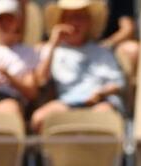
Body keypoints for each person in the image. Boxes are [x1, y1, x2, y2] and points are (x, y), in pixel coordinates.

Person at [32, 0, 125, 132]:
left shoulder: (102, 51)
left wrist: (100, 93)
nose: (75, 23)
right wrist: (53, 42)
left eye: (80, 17)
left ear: (89, 22)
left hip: (99, 102)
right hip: (68, 102)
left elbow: (118, 84)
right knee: (39, 119)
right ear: (61, 21)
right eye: (70, 17)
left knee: (105, 116)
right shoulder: (52, 49)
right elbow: (41, 80)